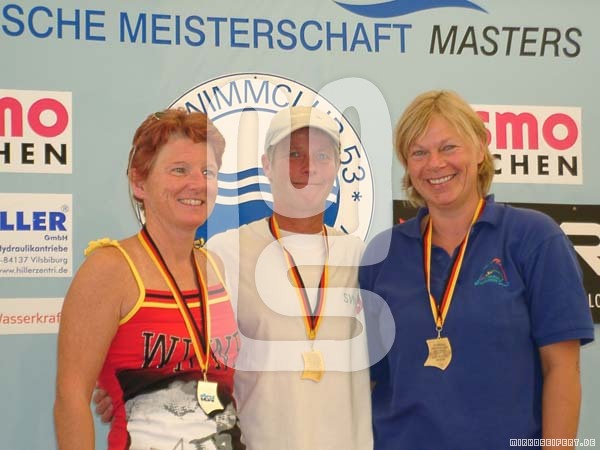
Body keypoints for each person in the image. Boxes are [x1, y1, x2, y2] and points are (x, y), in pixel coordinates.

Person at [94, 106, 374, 449]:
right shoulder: (225, 253)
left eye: (322, 155)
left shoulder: (363, 257)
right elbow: (183, 354)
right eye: (294, 154)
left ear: (336, 167)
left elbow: (393, 364)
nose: (309, 166)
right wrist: (134, 390)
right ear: (266, 165)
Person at [359, 90, 595, 450]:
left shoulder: (534, 238)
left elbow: (562, 369)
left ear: (480, 148)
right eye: (419, 152)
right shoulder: (383, 254)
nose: (435, 163)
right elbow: (369, 380)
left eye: (448, 147)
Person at [54, 109, 245, 450]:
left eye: (208, 171)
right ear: (139, 182)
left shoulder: (214, 265)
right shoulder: (110, 269)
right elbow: (71, 398)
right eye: (179, 170)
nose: (197, 183)